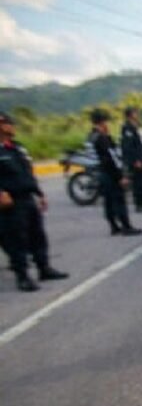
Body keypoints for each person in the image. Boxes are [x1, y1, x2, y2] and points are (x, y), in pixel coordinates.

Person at [0, 111, 69, 292]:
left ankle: (43, 268)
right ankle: (22, 276)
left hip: (27, 198)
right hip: (10, 202)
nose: (12, 126)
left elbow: (28, 173)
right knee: (17, 240)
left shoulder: (17, 147)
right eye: (8, 123)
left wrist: (39, 193)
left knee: (37, 235)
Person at [88, 109, 142, 236]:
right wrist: (120, 177)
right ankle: (126, 226)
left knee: (108, 202)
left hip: (100, 173)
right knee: (118, 200)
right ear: (102, 122)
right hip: (109, 174)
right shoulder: (101, 139)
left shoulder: (91, 136)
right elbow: (110, 159)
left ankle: (113, 226)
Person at [120, 106, 142, 212]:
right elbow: (128, 146)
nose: (137, 115)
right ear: (130, 115)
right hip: (135, 160)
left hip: (141, 157)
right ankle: (139, 204)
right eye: (135, 113)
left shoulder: (135, 126)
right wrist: (135, 161)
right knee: (138, 183)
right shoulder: (127, 128)